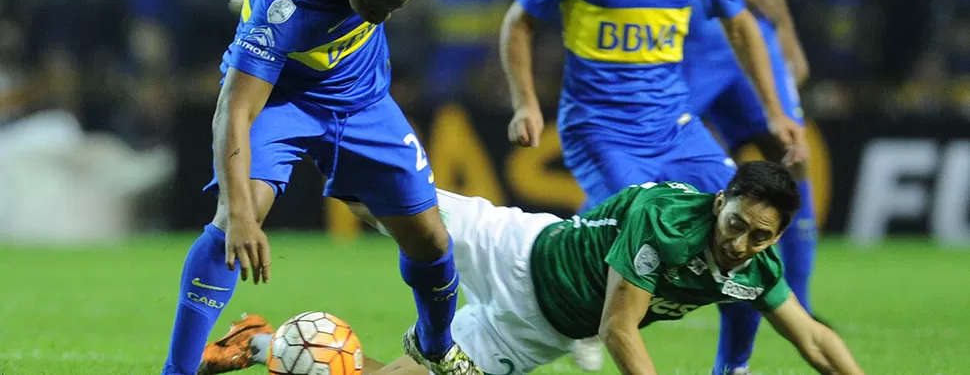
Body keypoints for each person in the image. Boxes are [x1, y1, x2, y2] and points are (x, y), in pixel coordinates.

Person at [160, 0, 479, 375]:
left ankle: (435, 345)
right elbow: (233, 113)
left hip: (361, 101)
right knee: (236, 219)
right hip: (282, 99)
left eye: (390, 9)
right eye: (370, 4)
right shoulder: (284, 1)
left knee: (429, 238)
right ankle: (179, 369)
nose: (378, 18)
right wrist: (241, 214)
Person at [497, 0, 808, 369]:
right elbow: (518, 24)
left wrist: (776, 110)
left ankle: (731, 367)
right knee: (653, 225)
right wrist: (526, 101)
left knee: (745, 238)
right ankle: (590, 315)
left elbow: (741, 28)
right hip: (599, 130)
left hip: (676, 126)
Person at [199, 161, 865, 375]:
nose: (742, 243)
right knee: (387, 205)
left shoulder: (755, 267)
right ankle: (297, 136)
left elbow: (812, 338)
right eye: (735, 225)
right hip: (517, 252)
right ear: (718, 203)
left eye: (760, 237)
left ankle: (256, 342)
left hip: (534, 334)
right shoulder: (666, 219)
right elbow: (620, 329)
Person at [670, 0, 816, 372]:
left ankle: (796, 308)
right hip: (696, 38)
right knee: (654, 160)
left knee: (793, 159)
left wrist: (787, 31)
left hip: (754, 40)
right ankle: (590, 284)